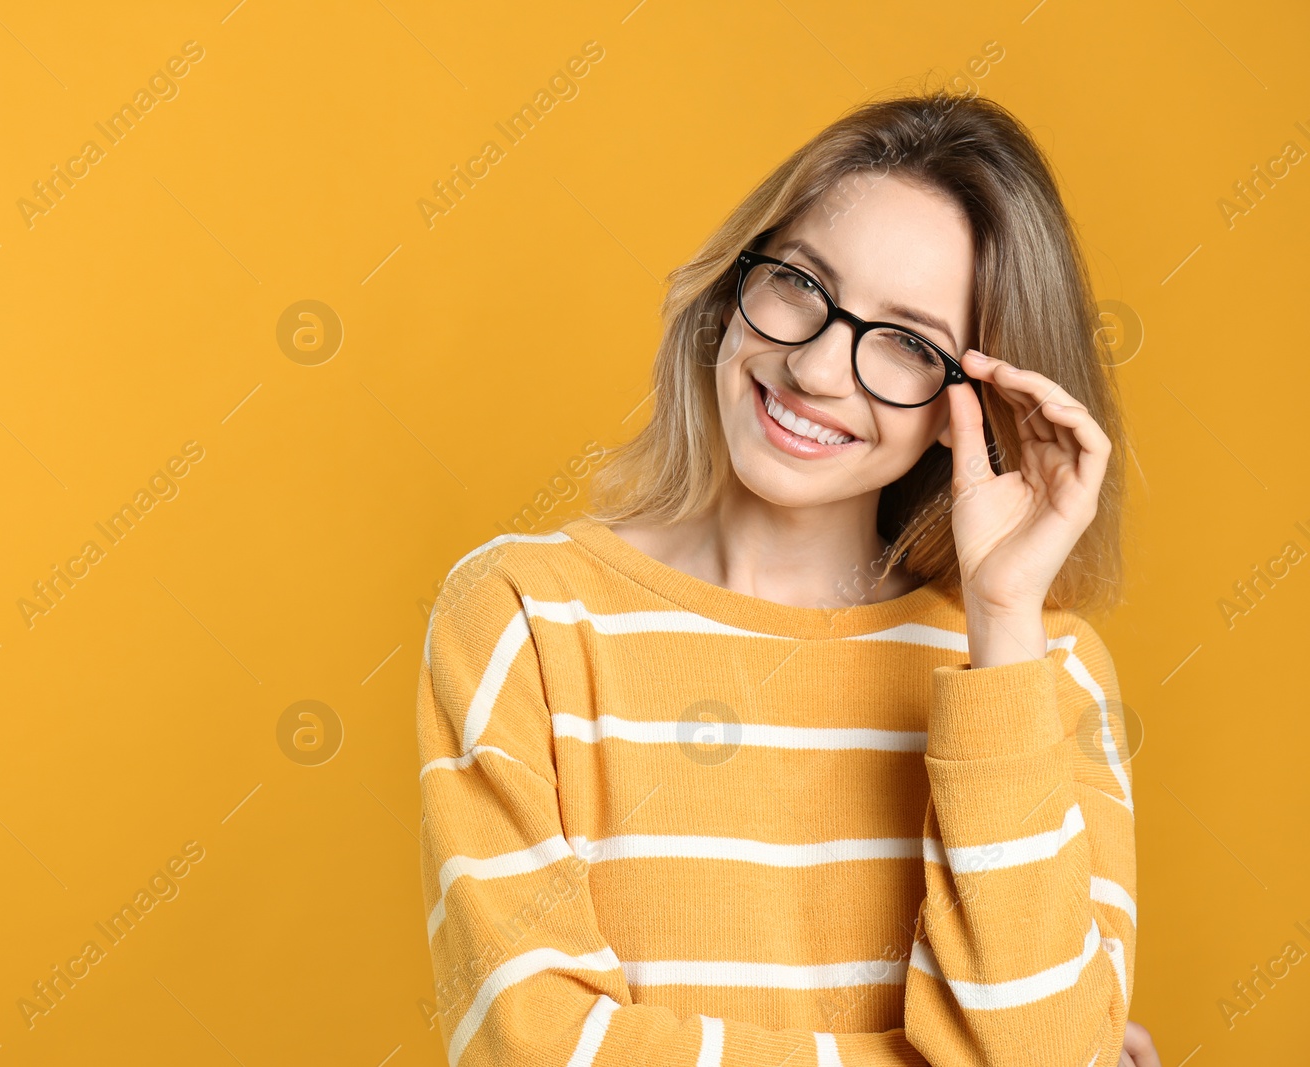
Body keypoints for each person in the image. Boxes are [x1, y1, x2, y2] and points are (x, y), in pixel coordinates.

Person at [416, 89, 1159, 1066]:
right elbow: (542, 1048)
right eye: (801, 284)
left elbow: (1039, 1051)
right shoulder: (523, 619)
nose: (814, 366)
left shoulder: (1042, 669)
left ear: (973, 402)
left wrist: (1002, 616)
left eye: (907, 341)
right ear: (736, 281)